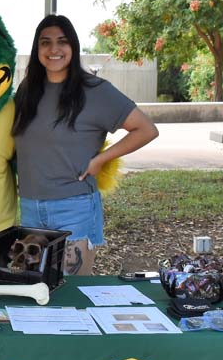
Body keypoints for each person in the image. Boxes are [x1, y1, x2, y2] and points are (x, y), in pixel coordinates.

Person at [12, 15, 158, 276]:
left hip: (74, 206)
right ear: (37, 49)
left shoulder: (95, 90)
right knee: (34, 289)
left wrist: (100, 160)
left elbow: (146, 129)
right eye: (45, 42)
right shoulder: (28, 91)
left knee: (72, 292)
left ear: (73, 47)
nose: (53, 49)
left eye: (62, 41)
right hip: (30, 207)